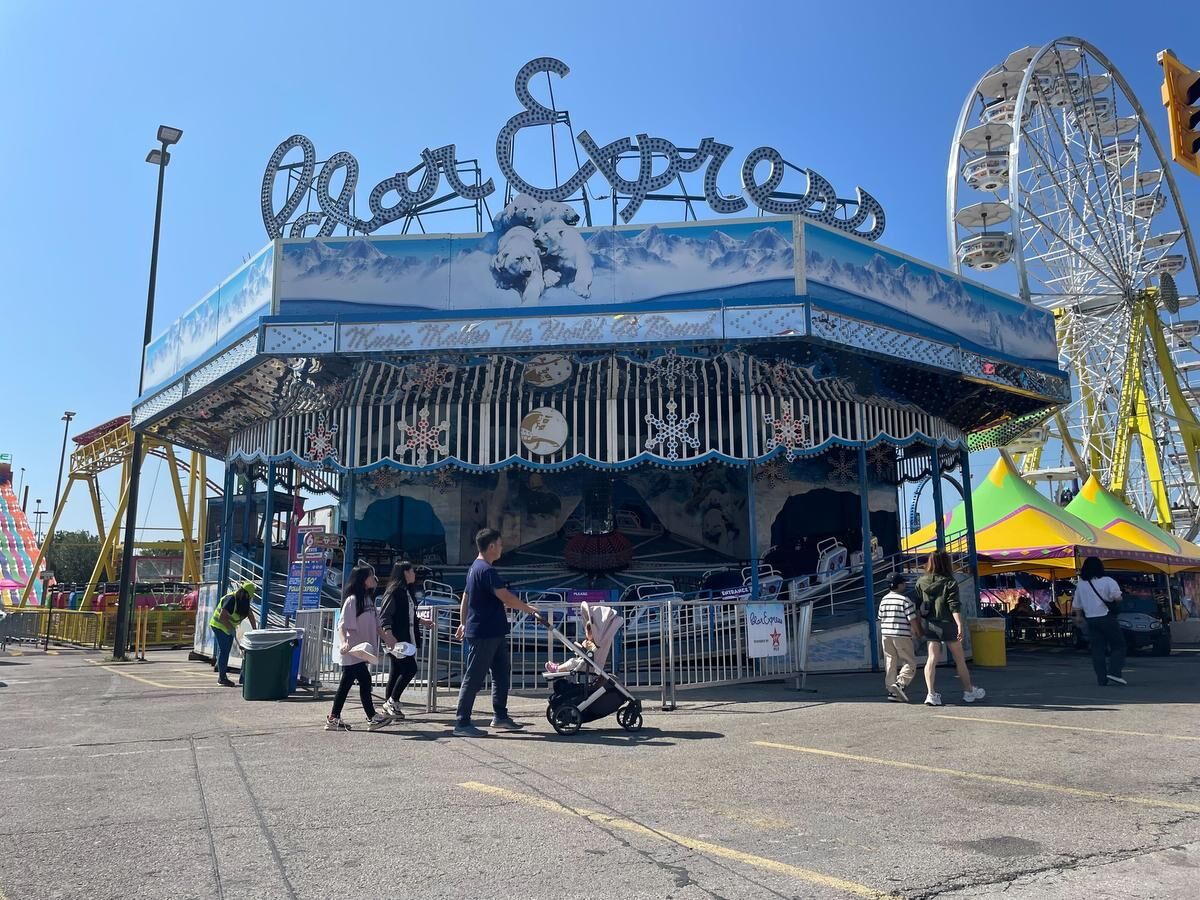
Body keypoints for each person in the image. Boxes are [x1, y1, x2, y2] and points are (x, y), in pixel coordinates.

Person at [452, 528, 540, 737]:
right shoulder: (486, 571)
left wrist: (463, 622)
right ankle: (461, 723)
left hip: (495, 632)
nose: (501, 548)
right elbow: (505, 597)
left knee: (501, 674)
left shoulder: (475, 568)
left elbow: (465, 597)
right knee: (473, 677)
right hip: (484, 633)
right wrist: (528, 609)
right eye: (500, 544)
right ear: (491, 546)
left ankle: (500, 716)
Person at [326, 564, 391, 732]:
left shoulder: (368, 600)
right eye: (371, 576)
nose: (374, 579)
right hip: (353, 650)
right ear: (363, 580)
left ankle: (333, 718)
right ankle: (372, 716)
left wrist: (388, 641)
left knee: (346, 683)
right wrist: (344, 643)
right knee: (365, 680)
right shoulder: (352, 600)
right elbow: (342, 626)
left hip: (363, 651)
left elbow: (377, 626)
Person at [916, 551, 985, 707]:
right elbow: (954, 605)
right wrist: (960, 624)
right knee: (959, 660)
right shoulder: (950, 582)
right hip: (948, 623)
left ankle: (931, 694)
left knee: (931, 659)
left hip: (931, 624)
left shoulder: (921, 582)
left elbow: (918, 604)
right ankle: (968, 691)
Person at [1071, 556, 1126, 687]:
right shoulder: (1108, 581)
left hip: (1090, 619)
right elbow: (1117, 598)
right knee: (1119, 645)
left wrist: (1078, 617)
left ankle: (1102, 679)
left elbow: (1076, 605)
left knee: (1097, 649)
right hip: (1106, 617)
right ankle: (1115, 671)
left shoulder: (1081, 584)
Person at [379, 561, 423, 720]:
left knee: (396, 671)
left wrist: (422, 622)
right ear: (404, 572)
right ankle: (392, 701)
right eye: (412, 571)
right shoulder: (395, 591)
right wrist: (388, 633)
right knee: (410, 668)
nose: (414, 574)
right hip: (396, 638)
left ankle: (389, 705)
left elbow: (408, 614)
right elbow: (385, 615)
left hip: (406, 636)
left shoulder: (407, 591)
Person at [877, 573, 921, 702]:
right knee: (909, 661)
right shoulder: (904, 600)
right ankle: (900, 683)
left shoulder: (884, 599)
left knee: (890, 661)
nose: (905, 585)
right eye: (903, 583)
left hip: (886, 634)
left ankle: (892, 690)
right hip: (901, 634)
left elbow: (880, 617)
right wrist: (917, 631)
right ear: (899, 585)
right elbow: (912, 619)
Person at [209, 582, 257, 687]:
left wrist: (255, 630)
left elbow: (250, 614)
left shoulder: (243, 601)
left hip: (228, 627)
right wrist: (231, 629)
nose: (250, 599)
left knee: (226, 650)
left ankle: (234, 677)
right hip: (218, 625)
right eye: (250, 597)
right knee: (224, 650)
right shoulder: (231, 599)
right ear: (246, 594)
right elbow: (222, 617)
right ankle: (222, 678)